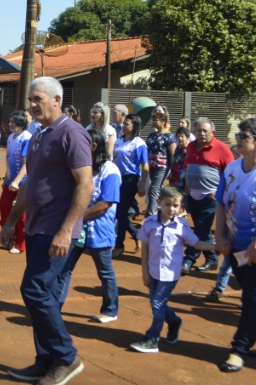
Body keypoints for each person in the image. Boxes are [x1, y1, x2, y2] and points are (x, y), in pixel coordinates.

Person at [0, 76, 93, 385]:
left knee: (35, 290)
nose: (32, 105)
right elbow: (30, 183)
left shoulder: (72, 133)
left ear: (56, 99)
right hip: (37, 226)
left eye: (37, 99)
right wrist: (12, 221)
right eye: (30, 100)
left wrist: (67, 230)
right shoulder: (39, 135)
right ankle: (46, 360)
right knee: (45, 295)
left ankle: (66, 356)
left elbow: (85, 184)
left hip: (57, 228)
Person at [130, 186, 215, 353]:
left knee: (157, 303)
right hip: (153, 270)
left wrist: (216, 245)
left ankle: (152, 338)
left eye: (176, 205)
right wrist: (144, 272)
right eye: (168, 204)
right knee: (156, 304)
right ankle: (174, 321)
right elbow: (145, 249)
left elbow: (196, 243)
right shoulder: (149, 224)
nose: (172, 209)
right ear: (159, 203)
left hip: (171, 273)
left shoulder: (182, 226)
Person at [214, 117, 256, 372]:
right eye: (238, 135)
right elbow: (221, 202)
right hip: (237, 246)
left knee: (252, 299)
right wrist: (220, 235)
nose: (237, 140)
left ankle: (239, 349)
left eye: (243, 136)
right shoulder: (232, 169)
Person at [56, 129, 121, 323]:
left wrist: (77, 216)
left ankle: (110, 310)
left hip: (99, 228)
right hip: (78, 227)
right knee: (64, 268)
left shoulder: (110, 170)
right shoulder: (79, 168)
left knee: (104, 270)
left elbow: (105, 204)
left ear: (93, 147)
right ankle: (55, 307)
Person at [182, 117, 233, 274]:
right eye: (198, 130)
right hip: (192, 195)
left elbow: (231, 174)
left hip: (210, 198)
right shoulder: (190, 146)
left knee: (200, 229)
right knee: (201, 229)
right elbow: (187, 168)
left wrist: (218, 192)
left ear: (213, 132)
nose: (201, 133)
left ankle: (188, 259)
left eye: (205, 131)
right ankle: (211, 259)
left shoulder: (222, 148)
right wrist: (185, 193)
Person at [112, 114, 148, 259]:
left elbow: (145, 166)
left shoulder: (139, 143)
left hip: (130, 179)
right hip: (117, 179)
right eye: (125, 123)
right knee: (119, 213)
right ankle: (136, 235)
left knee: (120, 213)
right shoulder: (119, 140)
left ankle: (119, 245)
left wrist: (142, 185)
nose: (124, 126)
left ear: (135, 127)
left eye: (128, 124)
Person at [0, 110, 31, 254]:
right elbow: (8, 159)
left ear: (20, 124)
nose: (10, 124)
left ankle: (20, 243)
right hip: (10, 180)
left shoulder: (27, 138)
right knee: (4, 206)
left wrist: (17, 181)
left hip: (23, 182)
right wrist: (7, 178)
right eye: (10, 121)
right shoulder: (11, 137)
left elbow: (26, 164)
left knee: (21, 214)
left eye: (13, 122)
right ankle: (8, 238)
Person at [145, 105, 177, 219]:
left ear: (163, 121)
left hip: (162, 167)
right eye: (152, 118)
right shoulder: (152, 134)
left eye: (156, 119)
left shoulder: (169, 136)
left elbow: (173, 154)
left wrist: (173, 170)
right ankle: (162, 211)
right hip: (152, 166)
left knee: (153, 189)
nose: (153, 121)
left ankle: (149, 216)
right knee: (158, 189)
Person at [167, 126, 191, 191]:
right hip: (174, 179)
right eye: (178, 137)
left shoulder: (191, 150)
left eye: (182, 136)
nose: (179, 138)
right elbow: (174, 161)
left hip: (185, 181)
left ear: (188, 138)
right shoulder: (178, 148)